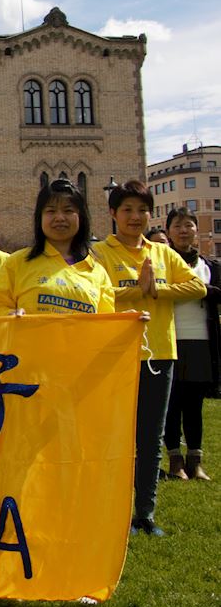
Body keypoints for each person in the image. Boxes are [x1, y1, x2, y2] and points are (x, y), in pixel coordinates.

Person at [90, 179, 203, 537]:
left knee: (151, 437)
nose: (135, 217)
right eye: (127, 210)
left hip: (160, 354)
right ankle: (114, 511)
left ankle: (145, 515)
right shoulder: (100, 254)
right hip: (115, 353)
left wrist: (158, 289)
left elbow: (197, 286)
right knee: (117, 437)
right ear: (112, 214)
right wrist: (133, 291)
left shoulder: (162, 253)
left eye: (141, 210)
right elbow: (96, 293)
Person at [0, 179, 116, 318]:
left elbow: (106, 324)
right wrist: (9, 315)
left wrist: (130, 322)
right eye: (51, 211)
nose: (59, 217)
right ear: (39, 218)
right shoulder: (16, 263)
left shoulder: (97, 273)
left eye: (68, 210)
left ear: (81, 217)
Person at [163, 208, 219, 481]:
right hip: (169, 339)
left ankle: (195, 461)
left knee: (194, 404)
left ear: (196, 230)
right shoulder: (163, 263)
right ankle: (175, 461)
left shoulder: (208, 266)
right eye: (177, 226)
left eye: (188, 225)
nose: (183, 231)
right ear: (169, 231)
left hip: (200, 340)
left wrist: (201, 290)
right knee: (171, 404)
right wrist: (197, 290)